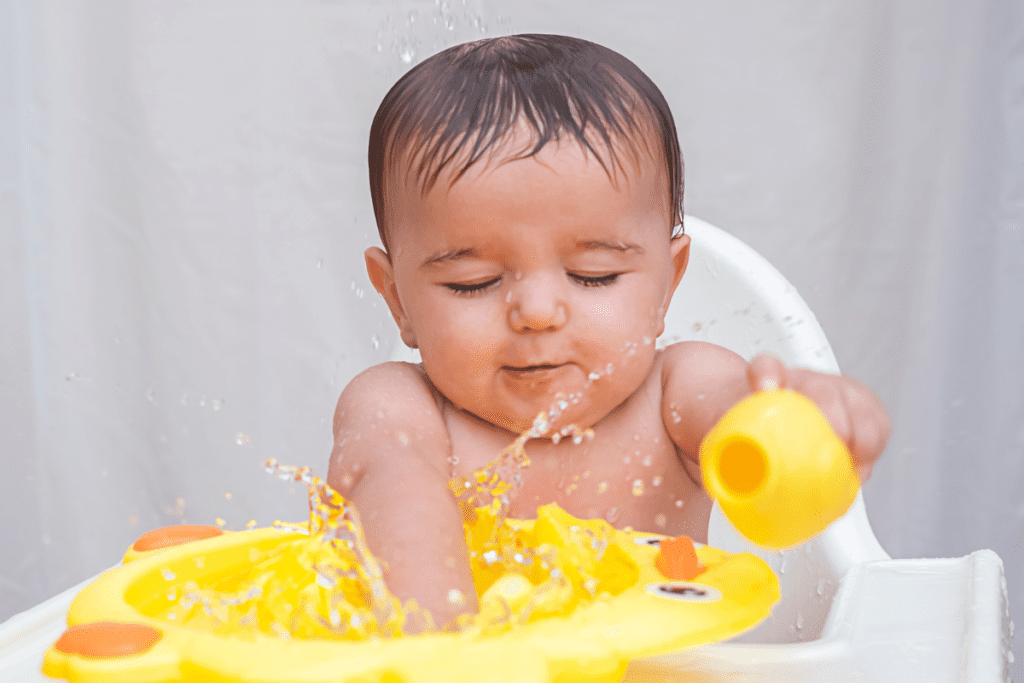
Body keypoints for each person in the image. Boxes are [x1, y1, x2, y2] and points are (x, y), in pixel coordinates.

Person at [327, 34, 891, 628]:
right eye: (473, 282)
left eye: (593, 276)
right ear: (398, 301)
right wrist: (443, 649)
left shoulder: (677, 391)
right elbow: (392, 493)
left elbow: (749, 431)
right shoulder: (399, 406)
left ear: (666, 286)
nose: (537, 311)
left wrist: (810, 420)